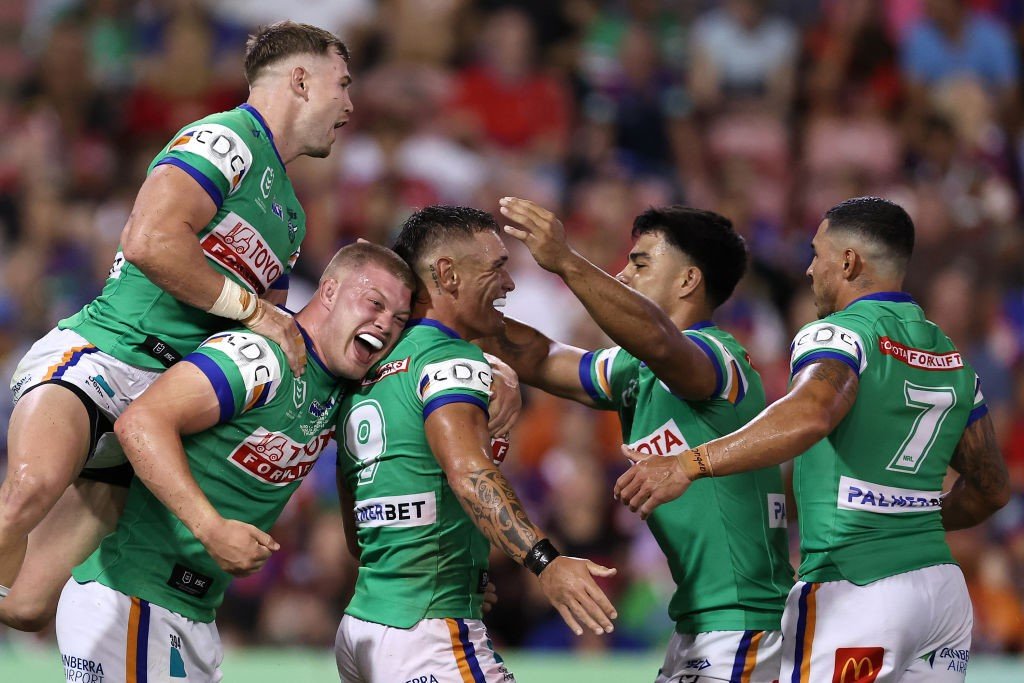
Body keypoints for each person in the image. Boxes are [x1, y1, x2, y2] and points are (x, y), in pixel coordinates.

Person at [1, 20, 354, 630]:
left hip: (161, 406)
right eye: (343, 84)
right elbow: (150, 241)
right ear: (301, 78)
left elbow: (253, 344)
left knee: (28, 607)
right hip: (106, 357)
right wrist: (255, 310)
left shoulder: (292, 219)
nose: (350, 105)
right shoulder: (225, 139)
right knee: (26, 492)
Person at [616, 197, 1011, 682]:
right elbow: (992, 487)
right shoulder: (950, 356)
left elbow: (810, 414)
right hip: (943, 597)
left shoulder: (838, 335)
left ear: (848, 262)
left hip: (857, 589)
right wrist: (911, 523)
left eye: (816, 253)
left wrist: (687, 464)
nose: (808, 269)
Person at [55, 243, 414, 680]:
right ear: (330, 291)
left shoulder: (339, 391)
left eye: (399, 320)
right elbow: (141, 423)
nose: (384, 324)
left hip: (193, 615)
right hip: (130, 599)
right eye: (374, 303)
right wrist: (210, 528)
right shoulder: (261, 356)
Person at [484, 197, 793, 682]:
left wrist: (566, 261)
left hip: (743, 624)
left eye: (640, 262)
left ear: (688, 280)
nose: (622, 275)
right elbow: (543, 358)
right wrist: (455, 313)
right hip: (702, 625)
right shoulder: (636, 368)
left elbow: (661, 342)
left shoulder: (718, 359)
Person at [334, 206, 618, 683]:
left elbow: (357, 535)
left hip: (365, 624)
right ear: (447, 274)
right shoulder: (452, 361)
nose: (508, 284)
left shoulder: (367, 371)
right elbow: (469, 473)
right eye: (497, 266)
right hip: (428, 633)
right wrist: (546, 562)